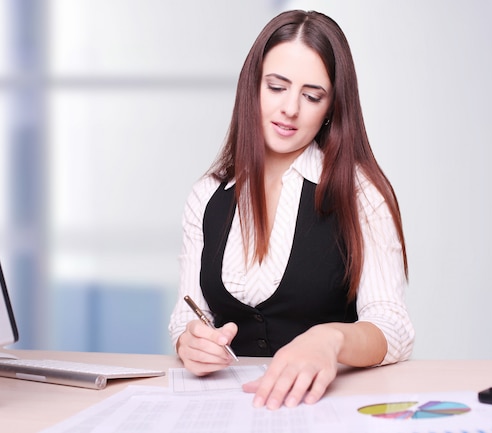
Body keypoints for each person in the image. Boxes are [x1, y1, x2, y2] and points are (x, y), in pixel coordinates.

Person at [168, 9, 414, 410]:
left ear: (332, 105)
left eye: (312, 95)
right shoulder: (207, 195)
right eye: (277, 87)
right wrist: (189, 339)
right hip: (229, 409)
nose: (290, 109)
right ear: (253, 88)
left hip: (325, 409)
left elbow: (394, 327)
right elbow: (187, 311)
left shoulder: (359, 192)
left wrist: (329, 339)